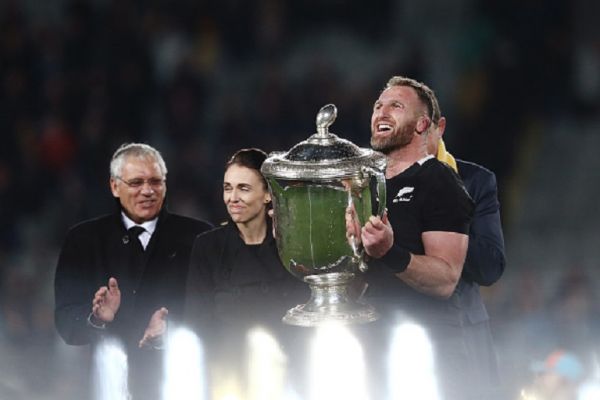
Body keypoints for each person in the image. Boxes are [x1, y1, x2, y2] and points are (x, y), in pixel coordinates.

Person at [346, 76, 474, 399]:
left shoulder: (439, 181)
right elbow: (363, 280)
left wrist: (390, 251)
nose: (382, 113)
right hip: (370, 351)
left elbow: (446, 279)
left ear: (422, 124)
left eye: (395, 106)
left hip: (427, 356)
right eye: (378, 106)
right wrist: (350, 248)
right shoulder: (364, 188)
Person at [54, 142, 212, 400]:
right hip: (103, 385)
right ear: (115, 187)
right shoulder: (83, 239)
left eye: (155, 181)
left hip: (179, 384)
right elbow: (65, 322)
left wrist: (173, 328)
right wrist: (98, 319)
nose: (147, 191)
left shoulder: (199, 236)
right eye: (136, 182)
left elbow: (216, 309)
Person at [184, 148, 308, 398]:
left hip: (287, 378)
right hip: (228, 379)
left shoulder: (294, 245)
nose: (232, 197)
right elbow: (196, 323)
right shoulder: (207, 246)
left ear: (267, 195)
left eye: (244, 188)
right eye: (227, 188)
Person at [427, 92, 506, 398]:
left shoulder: (475, 181)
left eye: (423, 125)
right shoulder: (374, 184)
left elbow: (489, 267)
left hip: (463, 329)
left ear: (439, 127)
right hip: (399, 329)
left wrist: (441, 228)